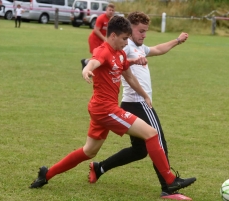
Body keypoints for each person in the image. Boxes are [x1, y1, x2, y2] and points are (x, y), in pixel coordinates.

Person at [29, 16, 187, 194]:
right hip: (105, 109)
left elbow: (129, 76)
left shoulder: (120, 53)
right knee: (151, 134)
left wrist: (144, 94)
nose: (127, 43)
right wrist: (87, 70)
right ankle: (170, 180)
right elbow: (93, 62)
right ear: (113, 35)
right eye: (124, 39)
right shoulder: (103, 51)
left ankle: (46, 174)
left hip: (101, 109)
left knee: (89, 152)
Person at [88, 11, 196, 200]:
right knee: (159, 141)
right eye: (140, 31)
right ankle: (168, 187)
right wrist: (88, 65)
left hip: (130, 103)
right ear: (129, 30)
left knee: (140, 150)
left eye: (145, 31)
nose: (144, 35)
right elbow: (107, 56)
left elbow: (158, 49)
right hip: (138, 103)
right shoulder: (126, 45)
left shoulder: (138, 47)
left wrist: (176, 40)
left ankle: (100, 167)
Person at [80, 3, 115, 69]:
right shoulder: (101, 18)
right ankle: (89, 69)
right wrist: (104, 39)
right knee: (96, 56)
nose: (111, 12)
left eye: (112, 10)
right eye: (110, 10)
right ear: (106, 10)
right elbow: (96, 30)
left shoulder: (112, 20)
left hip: (102, 40)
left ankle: (86, 62)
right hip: (94, 39)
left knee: (102, 55)